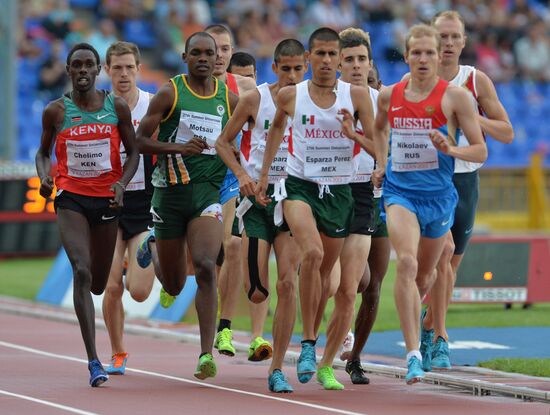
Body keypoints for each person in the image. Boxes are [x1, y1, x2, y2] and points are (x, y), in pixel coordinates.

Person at [257, 27, 375, 390]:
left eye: (331, 55)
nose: (325, 61)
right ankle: (301, 349)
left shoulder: (356, 95)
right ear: (309, 58)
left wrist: (355, 136)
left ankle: (322, 359)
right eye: (319, 54)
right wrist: (264, 176)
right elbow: (276, 130)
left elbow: (376, 143)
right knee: (310, 254)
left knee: (329, 282)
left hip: (341, 194)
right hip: (299, 187)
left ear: (340, 59)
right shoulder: (292, 95)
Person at [372, 24, 487, 385]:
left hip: (438, 198)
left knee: (425, 274)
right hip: (400, 193)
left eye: (429, 53)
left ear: (440, 56)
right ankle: (413, 355)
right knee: (405, 263)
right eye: (416, 53)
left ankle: (424, 322)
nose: (422, 59)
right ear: (406, 56)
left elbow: (480, 149)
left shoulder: (455, 98)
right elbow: (378, 130)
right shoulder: (389, 95)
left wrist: (450, 149)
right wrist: (380, 163)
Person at [135, 32, 238, 379]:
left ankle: (205, 354)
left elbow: (254, 127)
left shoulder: (229, 98)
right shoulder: (171, 92)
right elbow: (140, 141)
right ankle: (152, 243)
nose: (204, 59)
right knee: (176, 285)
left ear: (217, 59)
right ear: (185, 57)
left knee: (207, 265)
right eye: (196, 53)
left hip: (206, 194)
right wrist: (179, 149)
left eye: (209, 53)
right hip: (170, 195)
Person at [35, 42, 139, 387]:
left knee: (97, 284)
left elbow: (134, 152)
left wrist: (122, 184)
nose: (82, 70)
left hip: (107, 202)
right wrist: (45, 176)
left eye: (88, 65)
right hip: (71, 199)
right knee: (81, 271)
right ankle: (94, 360)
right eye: (76, 65)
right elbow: (42, 152)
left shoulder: (117, 106)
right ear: (68, 71)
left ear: (98, 71)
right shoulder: (56, 111)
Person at [419, 10, 514, 371]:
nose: (445, 44)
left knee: (450, 266)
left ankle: (429, 324)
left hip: (466, 178)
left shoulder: (476, 81)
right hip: (429, 180)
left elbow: (506, 133)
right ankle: (440, 337)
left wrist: (471, 117)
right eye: (439, 37)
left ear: (462, 42)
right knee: (440, 259)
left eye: (452, 37)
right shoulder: (418, 79)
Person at [216, 38, 306, 393]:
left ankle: (278, 366)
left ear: (307, 67)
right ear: (274, 68)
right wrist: (242, 176)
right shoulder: (255, 99)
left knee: (287, 283)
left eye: (299, 68)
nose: (293, 75)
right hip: (257, 201)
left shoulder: (316, 100)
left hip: (296, 199)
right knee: (257, 290)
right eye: (286, 68)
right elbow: (224, 142)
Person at [204, 24, 271, 361]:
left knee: (237, 247)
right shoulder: (181, 88)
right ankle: (159, 249)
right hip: (197, 179)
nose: (219, 55)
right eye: (213, 48)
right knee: (205, 258)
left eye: (225, 49)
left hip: (233, 175)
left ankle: (244, 332)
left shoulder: (246, 88)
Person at [332, 30, 392, 386]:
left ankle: (355, 359)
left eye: (362, 61)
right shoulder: (326, 98)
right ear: (339, 62)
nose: (356, 67)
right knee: (352, 280)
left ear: (371, 64)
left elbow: (391, 150)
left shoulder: (384, 101)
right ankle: (334, 332)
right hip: (342, 193)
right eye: (350, 60)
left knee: (373, 285)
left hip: (380, 198)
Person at [101, 41, 156, 375]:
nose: (123, 74)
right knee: (110, 286)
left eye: (129, 68)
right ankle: (118, 351)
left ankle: (153, 245)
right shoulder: (97, 107)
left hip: (144, 203)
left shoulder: (152, 106)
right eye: (116, 68)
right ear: (107, 70)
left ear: (138, 68)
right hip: (107, 204)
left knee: (138, 292)